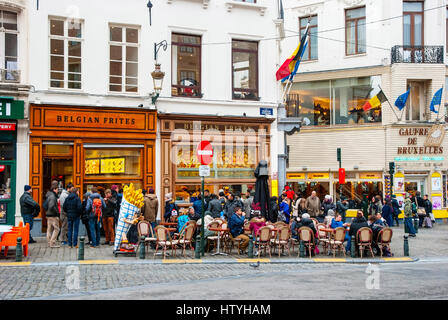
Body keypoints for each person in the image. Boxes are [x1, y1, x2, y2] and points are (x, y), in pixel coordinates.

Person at [45, 181, 60, 248]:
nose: (58, 191)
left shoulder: (48, 195)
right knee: (57, 229)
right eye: (57, 189)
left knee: (49, 229)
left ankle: (49, 241)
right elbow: (51, 206)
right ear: (54, 189)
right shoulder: (53, 196)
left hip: (48, 215)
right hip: (53, 215)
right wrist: (57, 212)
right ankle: (52, 242)